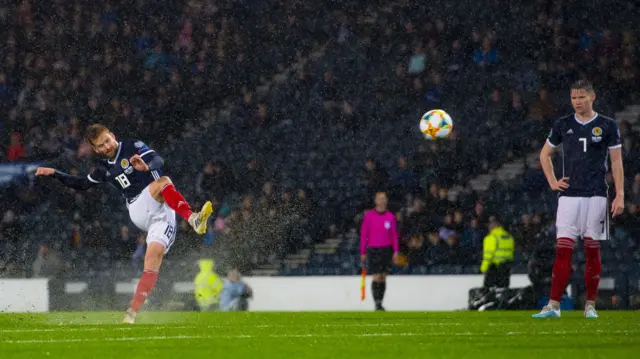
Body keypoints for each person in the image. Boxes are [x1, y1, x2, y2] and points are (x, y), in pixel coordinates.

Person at [35, 124, 213, 323]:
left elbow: (158, 159)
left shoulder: (133, 146)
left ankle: (131, 312)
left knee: (153, 259)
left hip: (164, 214)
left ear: (112, 134)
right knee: (163, 181)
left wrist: (146, 166)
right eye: (101, 145)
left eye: (107, 140)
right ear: (96, 149)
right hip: (139, 207)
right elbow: (81, 184)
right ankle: (193, 218)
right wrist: (54, 173)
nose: (107, 146)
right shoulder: (103, 170)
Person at [533, 80, 624, 319]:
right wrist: (553, 182)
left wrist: (620, 194)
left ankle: (590, 305)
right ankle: (553, 306)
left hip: (597, 195)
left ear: (592, 97)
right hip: (569, 196)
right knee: (563, 250)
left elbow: (616, 161)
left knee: (592, 251)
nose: (577, 102)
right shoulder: (563, 124)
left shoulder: (607, 125)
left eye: (581, 97)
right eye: (573, 98)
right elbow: (545, 155)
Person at [360, 191, 399, 311]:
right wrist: (363, 251)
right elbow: (364, 234)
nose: (381, 201)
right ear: (376, 201)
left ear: (386, 201)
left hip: (386, 249)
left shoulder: (391, 217)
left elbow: (394, 235)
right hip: (373, 249)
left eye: (383, 199)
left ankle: (380, 302)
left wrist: (396, 251)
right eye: (379, 199)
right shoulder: (369, 216)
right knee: (376, 276)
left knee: (383, 277)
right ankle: (377, 303)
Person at [481, 217, 514, 290]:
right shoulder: (509, 237)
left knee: (489, 291)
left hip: (494, 268)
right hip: (506, 268)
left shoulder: (491, 237)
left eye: (490, 226)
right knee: (503, 291)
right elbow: (511, 253)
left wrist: (484, 268)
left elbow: (488, 255)